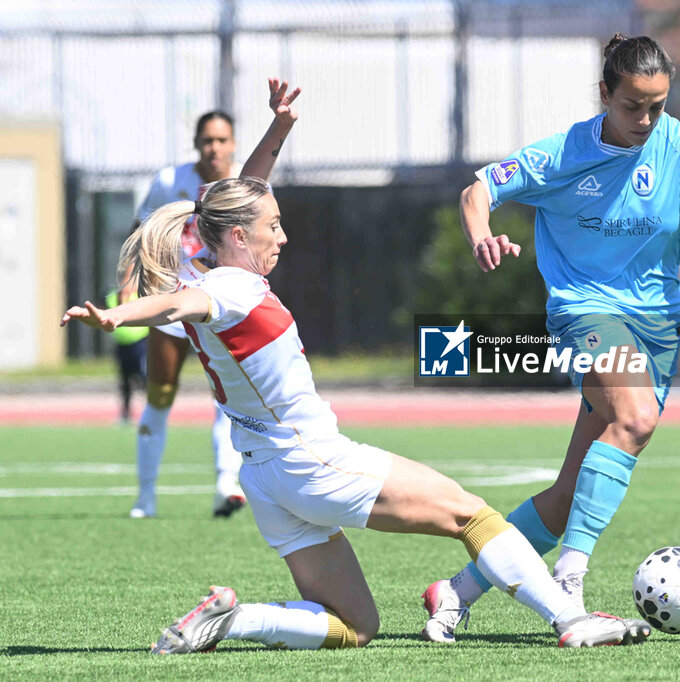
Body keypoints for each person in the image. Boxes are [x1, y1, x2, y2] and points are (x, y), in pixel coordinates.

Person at [60, 81, 650, 652]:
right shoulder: (229, 285)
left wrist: (281, 127)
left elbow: (245, 196)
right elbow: (178, 302)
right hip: (311, 459)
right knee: (473, 517)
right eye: (274, 228)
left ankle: (233, 620)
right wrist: (119, 318)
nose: (283, 238)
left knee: (354, 624)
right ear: (238, 237)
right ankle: (571, 619)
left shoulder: (207, 258)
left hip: (265, 478)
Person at [420, 33, 680, 643]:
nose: (647, 119)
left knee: (569, 495)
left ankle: (456, 590)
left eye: (657, 105)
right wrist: (481, 233)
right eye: (633, 106)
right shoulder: (564, 153)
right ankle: (570, 583)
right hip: (584, 315)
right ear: (605, 95)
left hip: (656, 325)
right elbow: (477, 191)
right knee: (638, 420)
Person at [128, 107, 247, 519]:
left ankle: (225, 486)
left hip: (222, 304)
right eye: (207, 140)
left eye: (222, 140)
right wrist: (132, 280)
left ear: (233, 144)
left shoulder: (243, 186)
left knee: (227, 398)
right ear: (196, 143)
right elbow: (140, 227)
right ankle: (145, 497)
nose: (214, 147)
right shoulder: (169, 181)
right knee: (160, 395)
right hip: (173, 302)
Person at [104, 287, 148, 424]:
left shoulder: (142, 295)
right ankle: (125, 412)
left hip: (141, 344)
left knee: (145, 378)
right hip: (122, 346)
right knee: (124, 380)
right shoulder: (110, 297)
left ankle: (153, 411)